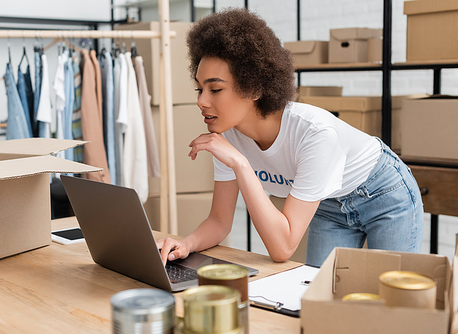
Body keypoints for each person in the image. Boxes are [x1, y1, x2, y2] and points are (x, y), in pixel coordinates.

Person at [157, 8, 424, 267]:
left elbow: (282, 248)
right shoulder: (227, 137)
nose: (201, 101)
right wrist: (186, 244)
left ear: (254, 88)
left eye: (215, 89)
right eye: (199, 88)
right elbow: (219, 221)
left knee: (391, 303)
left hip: (384, 193)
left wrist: (240, 164)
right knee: (323, 300)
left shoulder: (314, 135)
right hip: (329, 204)